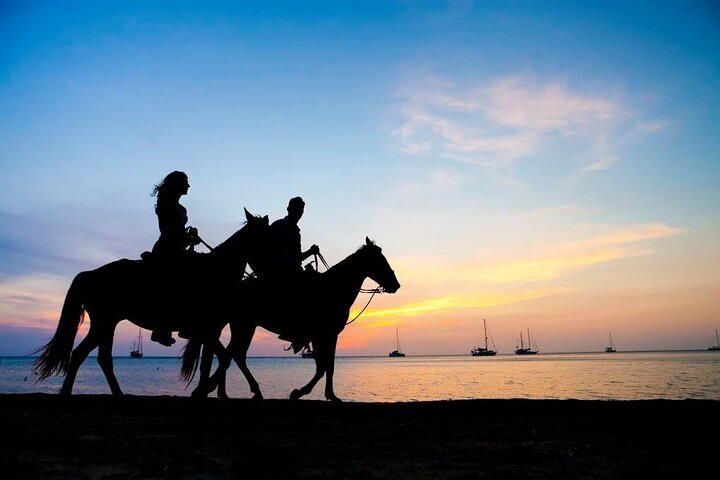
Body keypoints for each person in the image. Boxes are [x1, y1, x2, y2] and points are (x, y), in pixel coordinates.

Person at [149, 170, 200, 346]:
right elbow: (168, 231)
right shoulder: (165, 203)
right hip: (167, 249)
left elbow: (178, 231)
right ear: (177, 184)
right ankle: (161, 328)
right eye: (185, 182)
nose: (188, 186)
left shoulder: (181, 208)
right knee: (173, 283)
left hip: (179, 248)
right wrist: (186, 237)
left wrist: (190, 235)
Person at [269, 196, 319, 275]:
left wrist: (311, 251)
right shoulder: (278, 226)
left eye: (301, 209)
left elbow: (298, 257)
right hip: (283, 273)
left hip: (296, 272)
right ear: (288, 209)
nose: (299, 212)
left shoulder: (296, 232)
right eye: (297, 209)